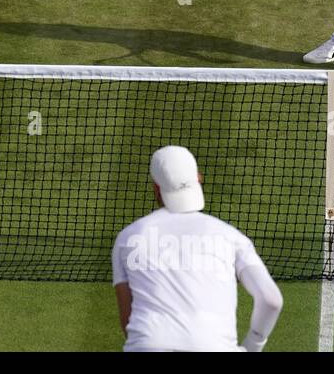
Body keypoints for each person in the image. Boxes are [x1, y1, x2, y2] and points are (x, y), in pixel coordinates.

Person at [112, 146, 283, 352]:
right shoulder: (231, 237)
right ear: (198, 178)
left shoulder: (128, 238)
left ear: (156, 188)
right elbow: (271, 300)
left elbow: (128, 321)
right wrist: (253, 345)